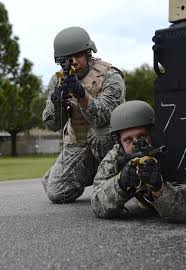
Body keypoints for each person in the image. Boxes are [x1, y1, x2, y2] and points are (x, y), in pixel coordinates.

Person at [41, 26, 125, 203]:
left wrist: (81, 94)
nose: (74, 62)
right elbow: (52, 124)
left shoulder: (110, 76)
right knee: (56, 192)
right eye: (67, 58)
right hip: (78, 143)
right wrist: (57, 102)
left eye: (78, 55)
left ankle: (116, 177)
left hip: (109, 142)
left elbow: (103, 117)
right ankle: (89, 173)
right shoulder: (57, 80)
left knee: (98, 133)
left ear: (88, 53)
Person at [91, 100, 186, 221]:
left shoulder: (173, 152)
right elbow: (98, 205)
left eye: (142, 136)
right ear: (119, 142)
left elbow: (182, 210)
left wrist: (159, 189)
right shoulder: (115, 157)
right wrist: (120, 184)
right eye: (128, 140)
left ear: (153, 135)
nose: (137, 144)